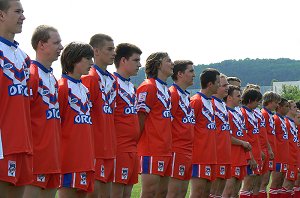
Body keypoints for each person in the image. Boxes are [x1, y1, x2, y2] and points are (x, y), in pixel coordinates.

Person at [23, 25, 63, 198]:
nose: (61, 47)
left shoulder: (53, 79)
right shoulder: (31, 75)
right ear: (41, 45)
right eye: (56, 43)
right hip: (36, 158)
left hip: (52, 157)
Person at [0, 0, 32, 197]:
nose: (23, 17)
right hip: (3, 143)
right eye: (18, 11)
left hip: (22, 143)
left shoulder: (24, 57)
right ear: (1, 15)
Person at [81, 33, 117, 198]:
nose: (114, 53)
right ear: (95, 51)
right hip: (95, 147)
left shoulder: (111, 80)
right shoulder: (89, 78)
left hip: (109, 147)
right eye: (109, 49)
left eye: (114, 49)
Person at [57, 42, 95, 198]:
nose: (92, 63)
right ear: (74, 60)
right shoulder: (61, 87)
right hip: (68, 157)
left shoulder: (85, 89)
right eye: (87, 58)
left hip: (85, 156)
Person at [136, 52, 174, 197]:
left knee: (162, 193)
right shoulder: (148, 86)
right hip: (151, 148)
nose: (172, 64)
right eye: (168, 61)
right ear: (158, 64)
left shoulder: (165, 89)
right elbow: (140, 117)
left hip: (165, 148)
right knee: (149, 192)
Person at [111, 43, 142, 198]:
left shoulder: (131, 86)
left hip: (132, 148)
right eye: (136, 60)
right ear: (123, 60)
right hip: (118, 147)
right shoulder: (111, 83)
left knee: (127, 193)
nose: (139, 65)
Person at [189, 68, 220, 198]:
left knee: (207, 193)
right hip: (199, 155)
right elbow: (189, 127)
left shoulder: (211, 103)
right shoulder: (196, 101)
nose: (219, 85)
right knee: (198, 192)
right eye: (218, 82)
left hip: (210, 155)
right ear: (210, 84)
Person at [167, 60, 195, 198]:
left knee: (182, 193)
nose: (194, 75)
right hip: (176, 150)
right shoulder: (173, 94)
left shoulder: (185, 95)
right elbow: (166, 124)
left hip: (187, 150)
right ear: (180, 74)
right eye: (191, 71)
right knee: (173, 193)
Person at [222, 85, 252, 198]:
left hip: (241, 157)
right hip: (231, 157)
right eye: (238, 96)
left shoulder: (238, 114)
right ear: (229, 97)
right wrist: (242, 143)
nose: (240, 99)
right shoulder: (225, 113)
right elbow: (225, 136)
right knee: (227, 192)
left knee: (235, 192)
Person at [210, 74, 231, 197]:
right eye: (224, 85)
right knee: (212, 191)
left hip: (225, 152)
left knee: (219, 192)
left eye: (227, 85)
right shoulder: (210, 103)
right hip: (215, 153)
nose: (227, 88)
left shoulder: (222, 104)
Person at [239, 88, 262, 198]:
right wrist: (250, 156)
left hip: (256, 152)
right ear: (249, 100)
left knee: (254, 185)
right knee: (247, 185)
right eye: (257, 101)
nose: (259, 104)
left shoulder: (252, 113)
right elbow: (245, 137)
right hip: (250, 154)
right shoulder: (243, 113)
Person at [259, 91, 281, 197]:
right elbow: (262, 134)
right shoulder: (263, 114)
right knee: (263, 182)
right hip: (266, 150)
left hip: (270, 150)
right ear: (270, 101)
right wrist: (268, 149)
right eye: (276, 102)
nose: (277, 105)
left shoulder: (269, 114)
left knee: (265, 181)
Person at [269, 98, 290, 198]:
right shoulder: (275, 119)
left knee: (281, 183)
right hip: (278, 155)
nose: (288, 109)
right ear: (279, 107)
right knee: (275, 182)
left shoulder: (283, 119)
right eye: (286, 106)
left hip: (284, 155)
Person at [281, 100, 299, 197]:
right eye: (294, 107)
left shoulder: (293, 123)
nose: (296, 109)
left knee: (291, 184)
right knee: (287, 184)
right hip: (289, 158)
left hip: (294, 156)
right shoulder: (286, 123)